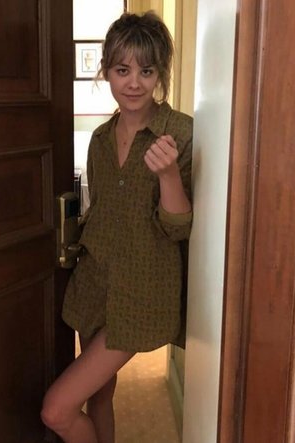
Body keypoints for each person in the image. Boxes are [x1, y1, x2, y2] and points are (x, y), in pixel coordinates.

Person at [41, 11, 193, 443]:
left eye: (147, 71)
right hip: (95, 285)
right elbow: (101, 211)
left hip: (142, 293)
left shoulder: (179, 133)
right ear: (106, 71)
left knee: (56, 410)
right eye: (123, 70)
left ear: (160, 73)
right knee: (99, 397)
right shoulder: (100, 139)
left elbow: (177, 229)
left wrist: (168, 175)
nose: (134, 83)